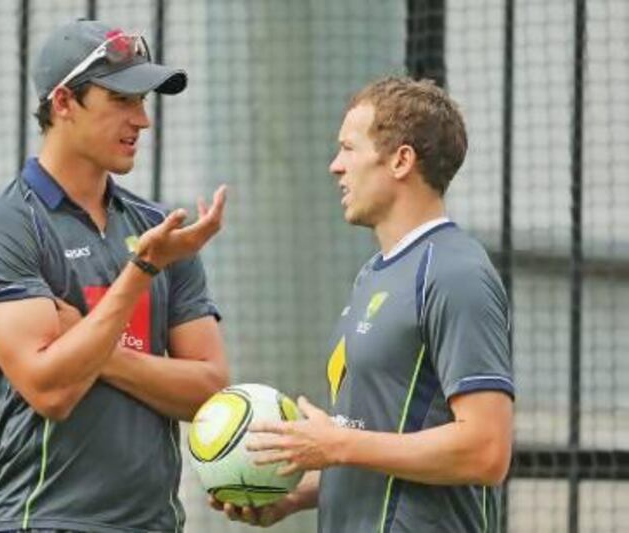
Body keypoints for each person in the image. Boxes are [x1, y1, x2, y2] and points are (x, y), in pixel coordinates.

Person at [0, 19, 228, 533]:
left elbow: (209, 391)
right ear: (63, 103)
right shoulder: (4, 226)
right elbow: (52, 391)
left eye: (143, 101)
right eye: (122, 100)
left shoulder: (158, 229)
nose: (143, 121)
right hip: (41, 521)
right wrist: (142, 270)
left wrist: (87, 341)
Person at [212, 76, 514, 532]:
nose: (335, 166)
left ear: (400, 160)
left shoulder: (456, 274)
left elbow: (485, 449)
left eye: (349, 148)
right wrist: (297, 495)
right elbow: (381, 438)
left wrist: (337, 445)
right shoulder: (374, 273)